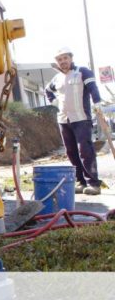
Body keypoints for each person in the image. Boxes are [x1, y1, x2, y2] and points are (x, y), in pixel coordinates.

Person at [45, 47, 103, 195]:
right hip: (64, 119)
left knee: (85, 150)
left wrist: (97, 103)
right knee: (71, 152)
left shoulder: (82, 71)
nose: (62, 61)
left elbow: (93, 87)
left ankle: (93, 183)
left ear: (71, 58)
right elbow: (48, 90)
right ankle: (80, 182)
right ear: (57, 62)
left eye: (65, 58)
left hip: (81, 118)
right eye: (59, 59)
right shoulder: (57, 78)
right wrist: (53, 102)